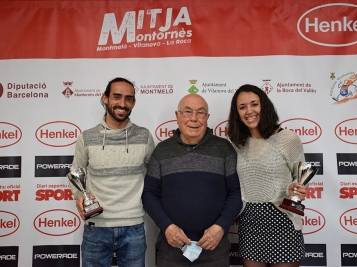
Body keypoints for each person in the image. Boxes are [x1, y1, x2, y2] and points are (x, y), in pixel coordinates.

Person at [142, 94, 242, 267]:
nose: (194, 119)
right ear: (178, 116)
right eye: (187, 112)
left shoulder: (224, 149)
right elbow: (149, 194)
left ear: (207, 118)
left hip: (214, 249)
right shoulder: (162, 150)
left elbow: (236, 193)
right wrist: (167, 226)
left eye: (200, 113)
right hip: (171, 249)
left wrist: (220, 227)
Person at [69, 77, 155, 267]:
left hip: (133, 226)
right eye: (117, 97)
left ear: (133, 102)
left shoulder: (144, 136)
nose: (122, 104)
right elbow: (76, 171)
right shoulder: (87, 137)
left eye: (129, 98)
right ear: (105, 98)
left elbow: (156, 174)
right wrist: (79, 195)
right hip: (96, 226)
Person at [227, 84, 307, 267]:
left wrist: (294, 195)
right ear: (237, 113)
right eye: (242, 107)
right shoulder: (237, 145)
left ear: (264, 105)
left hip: (283, 221)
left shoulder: (287, 138)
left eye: (254, 104)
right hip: (250, 222)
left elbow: (305, 172)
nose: (249, 111)